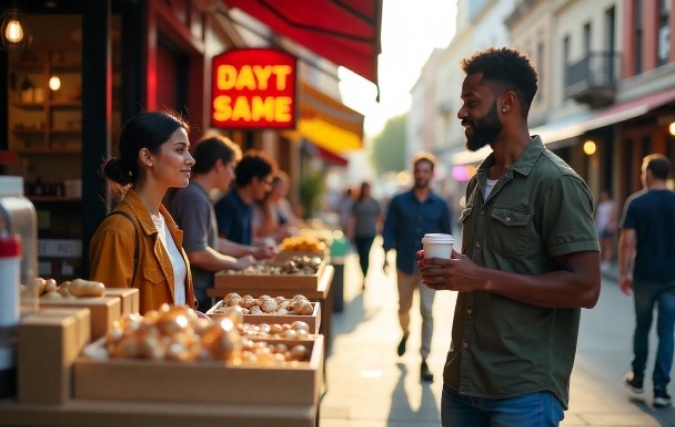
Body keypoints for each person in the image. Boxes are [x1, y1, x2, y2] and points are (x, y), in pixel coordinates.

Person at [417, 47, 601, 427]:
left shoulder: (557, 182)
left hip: (522, 392)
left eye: (472, 101)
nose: (461, 113)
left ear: (507, 103)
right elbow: (488, 267)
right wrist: (456, 271)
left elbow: (586, 288)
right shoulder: (478, 181)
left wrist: (481, 277)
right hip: (462, 381)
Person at [89, 111, 198, 314]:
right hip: (144, 346)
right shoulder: (119, 231)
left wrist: (190, 316)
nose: (190, 160)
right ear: (147, 157)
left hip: (177, 344)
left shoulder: (166, 223)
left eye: (188, 150)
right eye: (180, 150)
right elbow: (108, 317)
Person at [164, 135, 272, 311]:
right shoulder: (194, 197)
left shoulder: (201, 196)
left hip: (199, 293)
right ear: (219, 165)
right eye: (231, 168)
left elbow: (213, 244)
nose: (233, 175)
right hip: (194, 297)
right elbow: (197, 253)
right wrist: (236, 263)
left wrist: (253, 252)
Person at [382, 152, 452, 382]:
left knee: (428, 312)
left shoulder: (440, 204)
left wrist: (447, 264)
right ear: (413, 174)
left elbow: (447, 235)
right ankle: (405, 333)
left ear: (431, 174)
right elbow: (389, 229)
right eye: (418, 171)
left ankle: (424, 359)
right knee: (403, 308)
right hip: (404, 265)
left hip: (429, 269)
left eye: (425, 171)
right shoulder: (399, 201)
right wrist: (385, 254)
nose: (421, 175)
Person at [618, 154, 675, 409]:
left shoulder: (637, 203)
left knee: (642, 327)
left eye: (643, 170)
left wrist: (623, 272)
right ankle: (661, 389)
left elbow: (627, 241)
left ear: (650, 173)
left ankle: (638, 377)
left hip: (644, 276)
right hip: (672, 279)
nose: (642, 175)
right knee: (667, 333)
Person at [214, 150, 277, 245]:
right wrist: (252, 252)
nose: (268, 189)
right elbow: (218, 244)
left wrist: (266, 243)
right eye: (267, 182)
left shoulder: (249, 205)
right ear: (255, 181)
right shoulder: (227, 204)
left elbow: (245, 242)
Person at [347, 181, 382, 290]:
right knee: (360, 256)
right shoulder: (357, 203)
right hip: (359, 233)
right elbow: (352, 218)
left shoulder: (374, 202)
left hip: (370, 233)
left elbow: (379, 217)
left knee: (366, 253)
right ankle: (362, 274)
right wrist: (350, 231)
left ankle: (365, 277)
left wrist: (381, 228)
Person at [252, 170, 300, 243]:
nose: (282, 190)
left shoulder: (282, 203)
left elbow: (292, 222)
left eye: (284, 187)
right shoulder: (260, 206)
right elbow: (263, 233)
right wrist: (279, 234)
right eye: (279, 187)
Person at [595, 189, 618, 271]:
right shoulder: (601, 205)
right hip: (600, 227)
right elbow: (598, 216)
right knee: (601, 245)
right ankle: (602, 260)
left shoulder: (611, 205)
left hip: (608, 227)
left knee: (608, 245)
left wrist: (609, 225)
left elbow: (613, 216)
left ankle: (607, 261)